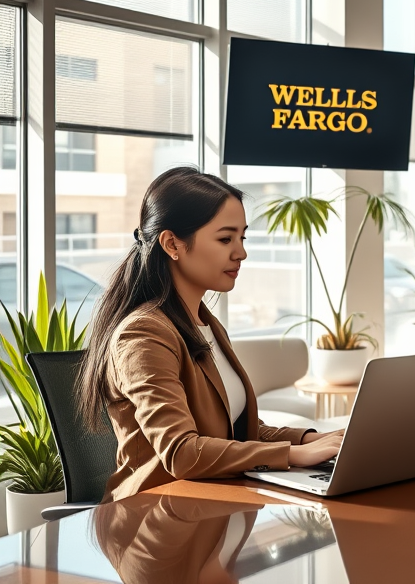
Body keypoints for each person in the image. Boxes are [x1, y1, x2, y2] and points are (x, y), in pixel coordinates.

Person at [78, 166, 343, 502]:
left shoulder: (205, 324)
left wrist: (313, 440)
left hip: (214, 502)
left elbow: (235, 431)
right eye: (225, 239)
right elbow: (182, 453)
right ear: (172, 243)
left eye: (242, 238)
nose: (241, 252)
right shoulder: (143, 334)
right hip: (155, 515)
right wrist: (292, 455)